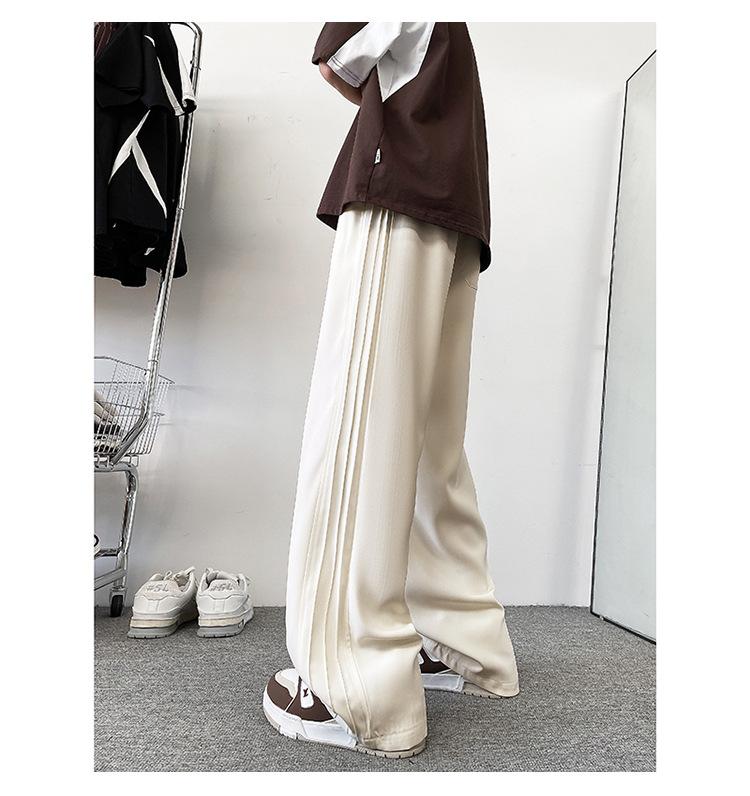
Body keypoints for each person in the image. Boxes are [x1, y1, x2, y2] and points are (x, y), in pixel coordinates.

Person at [263, 22, 519, 759]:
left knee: (362, 429)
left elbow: (337, 61)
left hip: (401, 186)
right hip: (456, 198)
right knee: (431, 439)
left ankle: (354, 689)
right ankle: (461, 642)